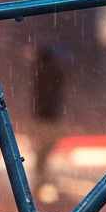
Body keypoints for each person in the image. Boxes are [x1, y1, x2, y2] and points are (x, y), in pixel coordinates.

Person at [30, 44, 66, 202]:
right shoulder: (50, 72)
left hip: (44, 116)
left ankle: (41, 176)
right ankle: (42, 176)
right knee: (46, 148)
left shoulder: (42, 72)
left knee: (44, 149)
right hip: (49, 117)